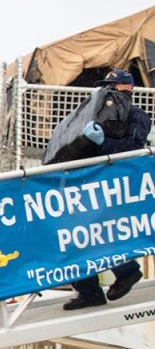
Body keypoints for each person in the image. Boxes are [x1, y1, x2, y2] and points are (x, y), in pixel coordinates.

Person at [64, 69, 151, 310]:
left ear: (128, 89)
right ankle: (90, 289)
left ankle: (125, 272)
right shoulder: (95, 115)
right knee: (75, 235)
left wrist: (103, 142)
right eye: (107, 86)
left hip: (113, 185)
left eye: (114, 86)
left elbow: (132, 149)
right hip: (87, 183)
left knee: (98, 233)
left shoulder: (136, 116)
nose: (109, 90)